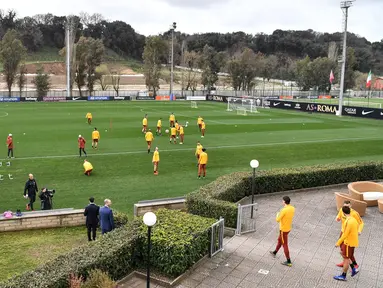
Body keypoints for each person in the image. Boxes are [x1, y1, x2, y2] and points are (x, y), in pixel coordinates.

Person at [335, 200, 364, 269]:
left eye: (348, 206)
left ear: (350, 206)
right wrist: (337, 218)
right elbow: (338, 216)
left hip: (350, 234)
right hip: (343, 232)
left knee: (349, 250)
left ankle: (354, 264)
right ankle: (345, 261)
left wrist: (359, 231)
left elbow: (361, 223)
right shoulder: (342, 210)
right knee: (342, 249)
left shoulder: (354, 213)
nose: (346, 208)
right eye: (345, 206)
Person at [334, 206, 359, 281]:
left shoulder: (348, 222)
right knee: (342, 253)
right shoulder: (353, 219)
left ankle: (343, 275)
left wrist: (338, 243)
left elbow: (345, 234)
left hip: (348, 243)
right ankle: (353, 268)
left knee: (346, 259)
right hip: (351, 242)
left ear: (344, 213)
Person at [270, 196, 295, 267]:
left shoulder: (283, 210)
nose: (282, 201)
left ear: (284, 202)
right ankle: (275, 252)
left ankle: (288, 261)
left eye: (282, 201)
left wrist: (278, 214)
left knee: (285, 244)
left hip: (283, 230)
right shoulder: (292, 208)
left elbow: (277, 220)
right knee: (279, 240)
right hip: (288, 228)